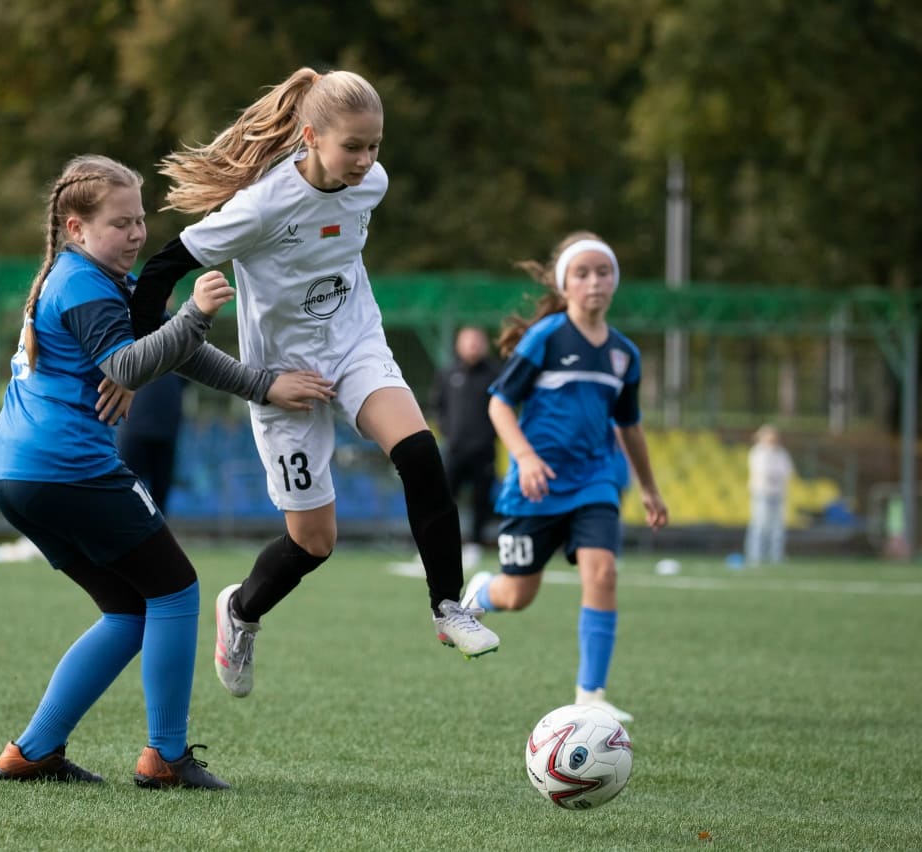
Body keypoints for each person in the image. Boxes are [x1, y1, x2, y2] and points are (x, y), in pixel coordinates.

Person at [129, 67, 500, 701]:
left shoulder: (372, 184)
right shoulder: (262, 205)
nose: (365, 160)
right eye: (352, 146)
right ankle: (240, 611)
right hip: (282, 381)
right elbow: (162, 268)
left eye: (374, 145)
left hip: (356, 347)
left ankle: (447, 607)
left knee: (419, 452)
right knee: (315, 542)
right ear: (310, 138)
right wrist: (134, 356)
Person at [0, 154, 332, 789]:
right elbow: (127, 366)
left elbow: (170, 355)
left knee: (128, 609)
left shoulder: (82, 276)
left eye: (140, 220)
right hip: (70, 468)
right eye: (119, 223)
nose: (136, 234)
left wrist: (261, 384)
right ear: (75, 228)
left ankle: (33, 751)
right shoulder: (86, 284)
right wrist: (195, 313)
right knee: (175, 589)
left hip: (18, 472)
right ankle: (166, 757)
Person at [460, 232, 668, 723]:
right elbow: (500, 403)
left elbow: (629, 426)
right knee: (518, 595)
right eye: (583, 273)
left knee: (603, 573)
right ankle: (482, 592)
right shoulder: (547, 338)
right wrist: (526, 458)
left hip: (595, 480)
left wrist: (649, 488)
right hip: (536, 486)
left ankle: (590, 695)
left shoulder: (624, 355)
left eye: (604, 272)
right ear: (564, 284)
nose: (594, 281)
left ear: (615, 281)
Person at [429, 325, 504, 569]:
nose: (473, 346)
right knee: (443, 499)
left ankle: (474, 545)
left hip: (484, 450)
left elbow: (505, 407)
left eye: (477, 341)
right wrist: (448, 432)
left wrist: (490, 434)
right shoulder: (448, 373)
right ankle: (437, 546)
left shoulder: (495, 374)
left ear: (485, 345)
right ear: (459, 345)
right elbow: (437, 406)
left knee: (480, 500)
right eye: (468, 341)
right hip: (454, 449)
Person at [116, 368, 188, 515]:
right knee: (127, 496)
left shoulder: (178, 357)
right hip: (136, 430)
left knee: (159, 503)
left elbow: (189, 376)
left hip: (166, 431)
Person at [744, 424, 792, 565]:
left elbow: (786, 471)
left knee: (778, 527)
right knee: (759, 525)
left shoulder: (781, 453)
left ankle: (776, 555)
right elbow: (764, 471)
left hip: (778, 493)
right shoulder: (758, 453)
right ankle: (755, 555)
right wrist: (775, 475)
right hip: (762, 493)